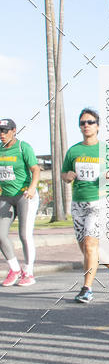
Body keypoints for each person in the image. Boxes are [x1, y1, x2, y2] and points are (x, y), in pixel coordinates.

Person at [61, 108, 109, 302]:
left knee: (90, 245)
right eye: (82, 123)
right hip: (78, 202)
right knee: (86, 248)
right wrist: (68, 176)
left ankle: (87, 288)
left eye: (90, 122)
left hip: (99, 202)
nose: (86, 126)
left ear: (97, 126)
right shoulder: (74, 150)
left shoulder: (108, 150)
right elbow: (64, 174)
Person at [0, 118, 40, 286]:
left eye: (5, 131)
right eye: (0, 131)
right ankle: (14, 269)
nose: (2, 134)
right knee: (0, 235)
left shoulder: (23, 147)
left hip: (25, 196)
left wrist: (32, 188)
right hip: (6, 196)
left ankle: (28, 272)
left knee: (24, 234)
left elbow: (36, 169)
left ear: (14, 130)